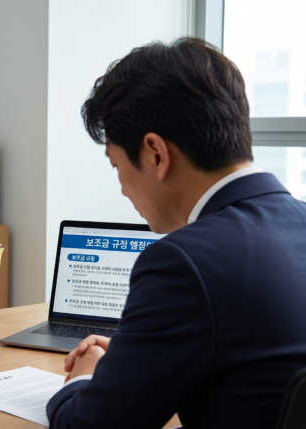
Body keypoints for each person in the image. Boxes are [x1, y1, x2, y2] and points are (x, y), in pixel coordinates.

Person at [46, 38, 306, 428]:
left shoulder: (184, 262)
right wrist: (140, 357)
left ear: (155, 154)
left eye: (117, 167)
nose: (122, 188)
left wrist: (86, 375)